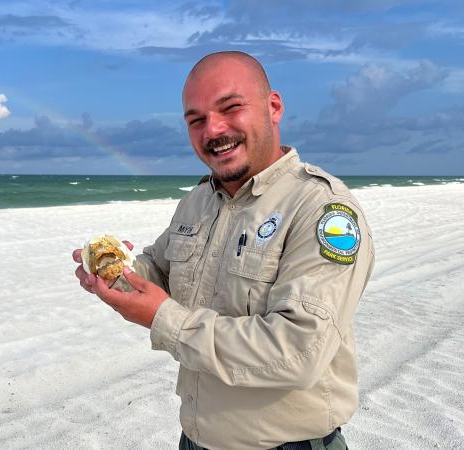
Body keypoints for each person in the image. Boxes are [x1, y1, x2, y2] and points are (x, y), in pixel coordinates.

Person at [72, 51, 375, 450]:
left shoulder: (323, 210)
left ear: (273, 108)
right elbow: (159, 270)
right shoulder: (199, 200)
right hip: (195, 440)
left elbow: (300, 351)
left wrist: (163, 319)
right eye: (196, 120)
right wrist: (118, 270)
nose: (212, 129)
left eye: (230, 108)